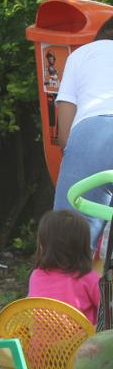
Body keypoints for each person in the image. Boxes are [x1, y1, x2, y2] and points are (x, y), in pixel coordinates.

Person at [53, 16, 113, 253]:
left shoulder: (81, 55)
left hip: (91, 136)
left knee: (67, 248)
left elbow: (64, 134)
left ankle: (65, 286)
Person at [29, 209, 100, 325]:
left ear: (42, 245)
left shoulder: (36, 275)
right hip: (81, 343)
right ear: (83, 246)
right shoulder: (88, 278)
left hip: (40, 343)